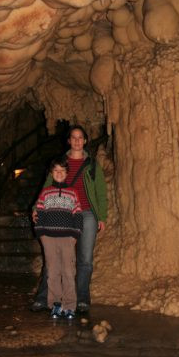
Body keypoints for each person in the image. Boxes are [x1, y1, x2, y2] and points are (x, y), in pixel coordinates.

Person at [31, 124, 107, 314]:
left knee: (85, 259)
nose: (77, 141)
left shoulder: (92, 165)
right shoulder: (60, 162)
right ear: (69, 141)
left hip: (87, 213)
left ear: (85, 141)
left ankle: (81, 299)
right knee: (54, 258)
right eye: (73, 137)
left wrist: (102, 216)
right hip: (62, 213)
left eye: (80, 137)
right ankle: (43, 297)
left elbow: (101, 193)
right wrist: (36, 208)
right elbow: (46, 186)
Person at [33, 156, 83, 320]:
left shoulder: (73, 192)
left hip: (67, 237)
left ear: (67, 173)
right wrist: (41, 234)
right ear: (51, 173)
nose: (59, 173)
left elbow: (78, 215)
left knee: (68, 271)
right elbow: (39, 212)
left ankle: (69, 305)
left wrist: (75, 234)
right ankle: (55, 304)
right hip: (49, 237)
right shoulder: (46, 192)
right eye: (56, 170)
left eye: (62, 170)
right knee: (53, 271)